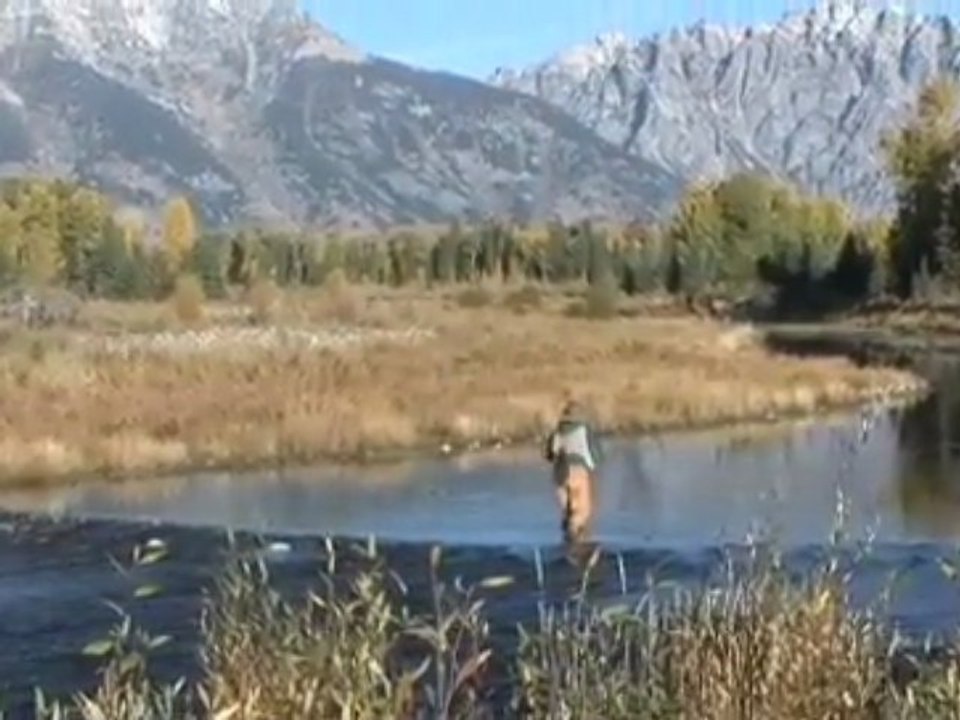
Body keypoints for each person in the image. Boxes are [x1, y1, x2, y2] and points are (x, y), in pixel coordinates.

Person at [543, 400, 602, 541]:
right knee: (583, 510)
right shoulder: (584, 429)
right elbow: (594, 454)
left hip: (559, 474)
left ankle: (568, 540)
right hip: (578, 471)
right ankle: (579, 542)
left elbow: (549, 454)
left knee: (567, 511)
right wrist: (593, 467)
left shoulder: (557, 431)